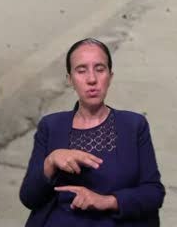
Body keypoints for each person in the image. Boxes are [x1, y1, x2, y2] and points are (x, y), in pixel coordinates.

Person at [19, 39, 165, 226]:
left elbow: (153, 193)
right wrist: (51, 161)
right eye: (81, 70)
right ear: (70, 80)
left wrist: (107, 201)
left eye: (100, 69)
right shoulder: (51, 126)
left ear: (110, 77)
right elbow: (29, 198)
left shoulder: (133, 125)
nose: (91, 79)